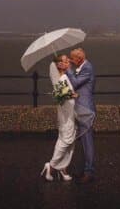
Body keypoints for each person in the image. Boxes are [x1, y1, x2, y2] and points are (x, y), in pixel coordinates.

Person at [40, 54, 76, 182]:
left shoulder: (64, 77)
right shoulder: (62, 80)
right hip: (67, 115)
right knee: (66, 140)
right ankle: (52, 165)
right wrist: (72, 95)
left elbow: (65, 94)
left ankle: (63, 167)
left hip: (68, 114)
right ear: (60, 65)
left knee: (69, 141)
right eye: (66, 61)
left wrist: (71, 94)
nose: (69, 61)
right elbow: (63, 98)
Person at [64, 47, 96, 184]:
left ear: (80, 59)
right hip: (81, 108)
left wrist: (68, 70)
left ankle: (89, 171)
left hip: (85, 109)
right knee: (83, 141)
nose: (71, 60)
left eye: (73, 58)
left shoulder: (87, 68)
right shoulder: (84, 67)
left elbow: (76, 83)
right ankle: (84, 170)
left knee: (87, 142)